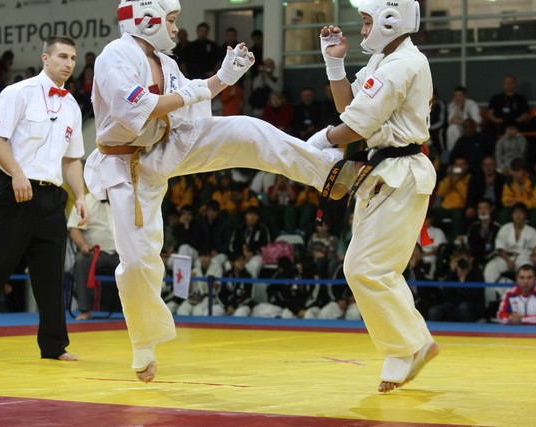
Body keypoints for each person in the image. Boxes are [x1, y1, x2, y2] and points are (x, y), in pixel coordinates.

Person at [84, 0, 346, 383]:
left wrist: (224, 77)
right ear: (147, 19)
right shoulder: (115, 56)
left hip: (169, 141)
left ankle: (327, 172)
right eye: (171, 20)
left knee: (247, 131)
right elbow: (139, 107)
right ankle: (144, 342)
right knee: (138, 261)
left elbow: (190, 95)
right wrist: (198, 90)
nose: (176, 29)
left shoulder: (165, 61)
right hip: (125, 165)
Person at [306, 0, 439, 392]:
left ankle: (406, 348)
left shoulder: (403, 64)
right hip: (383, 172)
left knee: (366, 268)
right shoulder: (385, 59)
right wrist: (334, 64)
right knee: (371, 268)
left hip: (402, 173)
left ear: (390, 20)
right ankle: (416, 341)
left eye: (367, 22)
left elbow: (356, 126)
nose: (363, 31)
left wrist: (319, 140)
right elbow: (351, 109)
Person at [0, 36, 88, 361]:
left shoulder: (71, 106)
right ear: (45, 58)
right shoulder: (18, 93)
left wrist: (80, 195)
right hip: (16, 191)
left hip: (53, 196)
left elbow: (72, 159)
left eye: (73, 58)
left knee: (51, 274)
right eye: (62, 56)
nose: (68, 63)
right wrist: (17, 173)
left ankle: (54, 346)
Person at [68, 193, 118, 321]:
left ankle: (136, 311)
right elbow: (74, 229)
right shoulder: (85, 201)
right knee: (81, 261)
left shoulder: (122, 199)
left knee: (137, 262)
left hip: (120, 254)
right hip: (95, 253)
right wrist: (83, 245)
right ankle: (85, 309)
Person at [445, 85, 482, 154]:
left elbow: (477, 121)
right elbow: (452, 121)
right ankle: (453, 152)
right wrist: (458, 108)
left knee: (469, 128)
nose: (458, 98)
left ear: (465, 96)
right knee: (451, 128)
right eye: (456, 96)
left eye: (460, 95)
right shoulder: (452, 105)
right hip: (459, 128)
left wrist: (463, 122)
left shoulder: (471, 104)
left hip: (472, 129)